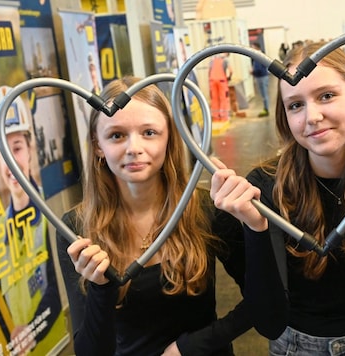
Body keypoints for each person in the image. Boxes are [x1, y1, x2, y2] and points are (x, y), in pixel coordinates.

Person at [210, 41, 345, 355]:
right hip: (294, 346)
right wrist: (255, 228)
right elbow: (270, 322)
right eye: (295, 105)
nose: (312, 116)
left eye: (326, 96)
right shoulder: (265, 185)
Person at [56, 76, 251, 355]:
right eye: (116, 135)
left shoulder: (205, 208)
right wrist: (100, 289)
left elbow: (263, 301)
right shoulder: (76, 228)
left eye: (149, 132)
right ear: (98, 145)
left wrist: (192, 346)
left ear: (169, 137)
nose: (134, 148)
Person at [0, 86, 67, 355]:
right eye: (3, 150)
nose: (10, 162)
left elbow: (54, 286)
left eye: (17, 148)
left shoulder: (45, 215)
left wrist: (31, 333)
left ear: (29, 150)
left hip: (54, 345)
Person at [209, 53, 233, 121]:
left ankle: (215, 117)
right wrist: (229, 77)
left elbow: (209, 71)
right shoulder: (225, 59)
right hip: (222, 80)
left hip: (212, 80)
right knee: (224, 98)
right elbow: (231, 71)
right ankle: (224, 117)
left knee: (214, 98)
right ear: (227, 54)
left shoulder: (212, 59)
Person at [250, 42, 270, 117]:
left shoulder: (258, 56)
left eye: (252, 47)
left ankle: (266, 109)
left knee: (264, 94)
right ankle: (265, 108)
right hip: (261, 77)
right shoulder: (257, 56)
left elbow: (259, 69)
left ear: (256, 47)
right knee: (263, 94)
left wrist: (253, 72)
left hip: (262, 77)